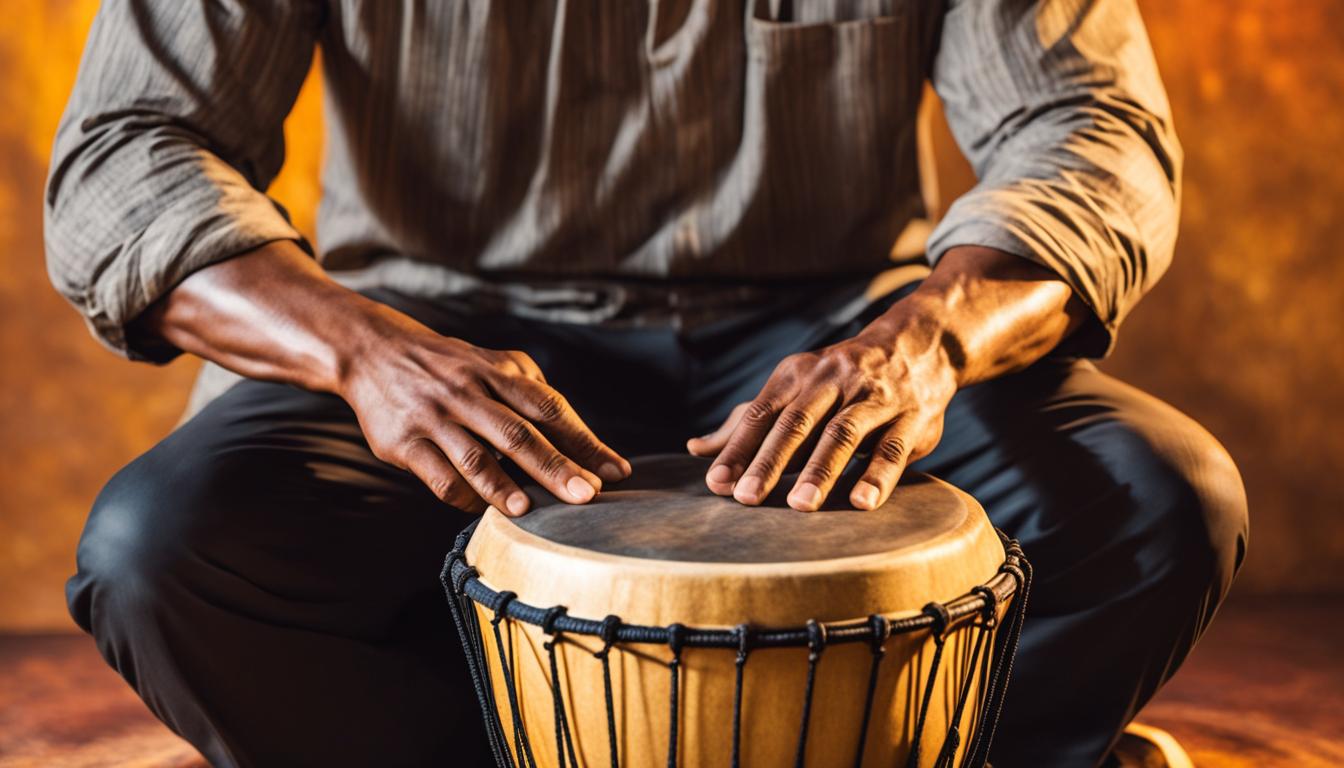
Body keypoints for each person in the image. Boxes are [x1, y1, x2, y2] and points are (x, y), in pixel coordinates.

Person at [45, 1, 1247, 766]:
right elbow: (123, 153)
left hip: (832, 329)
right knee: (159, 554)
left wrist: (924, 337)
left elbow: (1089, 123)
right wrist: (364, 351)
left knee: (1159, 500)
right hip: (439, 329)